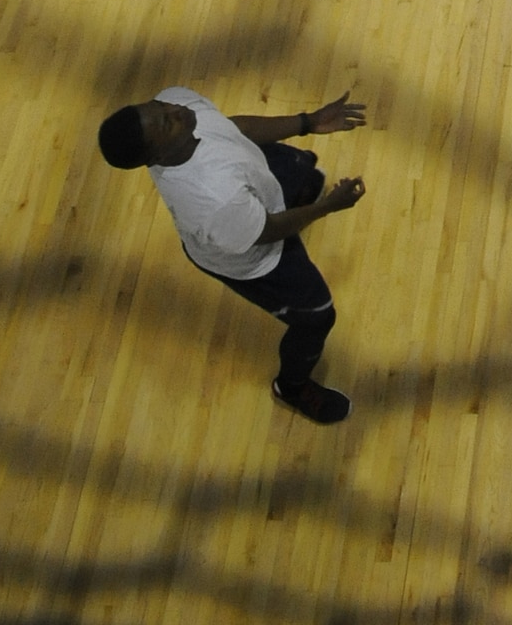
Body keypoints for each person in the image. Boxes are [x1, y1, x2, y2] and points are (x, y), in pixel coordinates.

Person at [97, 86, 368, 425]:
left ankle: (298, 191)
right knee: (317, 317)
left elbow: (232, 128)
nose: (176, 111)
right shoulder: (214, 200)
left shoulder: (179, 104)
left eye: (159, 106)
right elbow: (266, 231)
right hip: (253, 253)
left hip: (249, 192)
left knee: (299, 170)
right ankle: (293, 387)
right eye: (167, 123)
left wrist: (308, 122)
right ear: (156, 156)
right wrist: (327, 207)